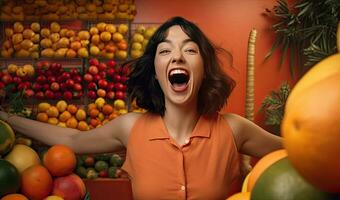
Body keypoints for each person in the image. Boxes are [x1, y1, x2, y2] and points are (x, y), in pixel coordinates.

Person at [0, 16, 282, 199]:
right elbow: (71, 140)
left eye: (190, 49)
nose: (178, 57)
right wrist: (7, 118)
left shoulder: (233, 129)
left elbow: (299, 151)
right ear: (156, 73)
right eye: (165, 51)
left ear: (205, 69)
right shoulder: (131, 127)